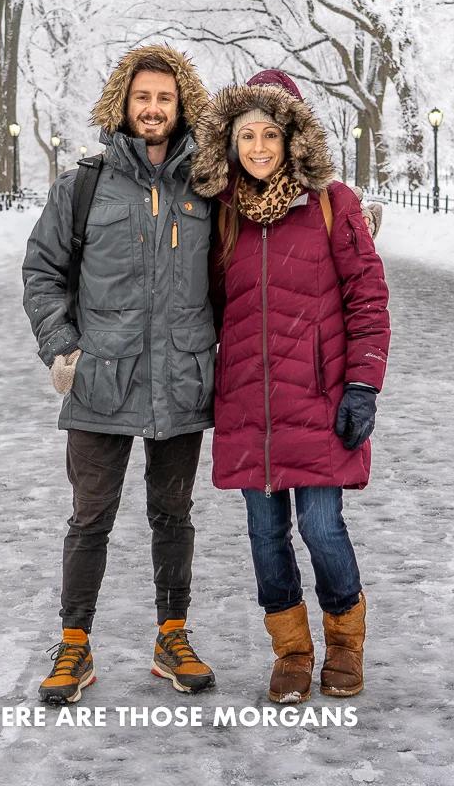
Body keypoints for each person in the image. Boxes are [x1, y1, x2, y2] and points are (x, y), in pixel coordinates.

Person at [22, 45, 220, 704]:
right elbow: (43, 270)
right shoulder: (84, 184)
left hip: (182, 382)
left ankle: (172, 635)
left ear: (180, 103)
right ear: (124, 104)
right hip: (100, 380)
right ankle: (74, 644)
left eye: (165, 97)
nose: (154, 108)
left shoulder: (209, 189)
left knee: (174, 517)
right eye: (143, 97)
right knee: (89, 521)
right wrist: (62, 346)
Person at [191, 69, 391, 703]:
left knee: (322, 527)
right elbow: (206, 306)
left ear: (293, 139)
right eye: (245, 134)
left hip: (321, 399)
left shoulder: (332, 203)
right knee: (263, 534)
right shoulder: (222, 216)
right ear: (230, 141)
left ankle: (345, 645)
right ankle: (291, 652)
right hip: (250, 403)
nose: (256, 147)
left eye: (269, 134)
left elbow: (367, 297)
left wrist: (363, 383)